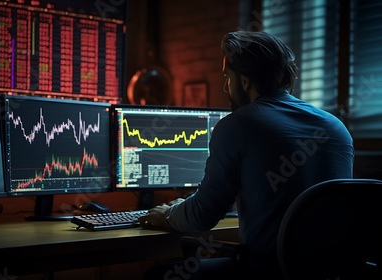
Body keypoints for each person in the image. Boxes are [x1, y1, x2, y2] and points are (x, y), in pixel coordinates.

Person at [138, 31, 354, 280]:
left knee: (157, 275)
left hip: (267, 272)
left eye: (228, 78)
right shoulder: (337, 127)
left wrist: (166, 215)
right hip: (332, 274)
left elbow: (202, 216)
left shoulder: (238, 125)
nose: (226, 87)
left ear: (245, 81)